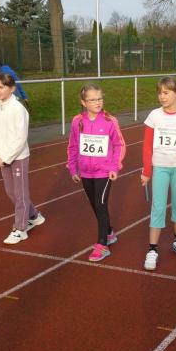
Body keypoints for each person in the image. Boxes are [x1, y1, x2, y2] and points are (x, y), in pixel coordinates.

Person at [141, 76, 176, 271]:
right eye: (159, 93)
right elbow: (147, 146)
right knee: (158, 206)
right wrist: (146, 171)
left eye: (166, 93)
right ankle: (152, 249)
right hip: (160, 167)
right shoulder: (154, 116)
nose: (162, 96)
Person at [66, 84, 125, 262]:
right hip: (85, 172)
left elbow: (119, 144)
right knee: (94, 204)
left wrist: (114, 167)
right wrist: (73, 167)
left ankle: (102, 245)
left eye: (99, 98)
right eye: (92, 100)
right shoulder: (77, 121)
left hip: (104, 171)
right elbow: (73, 145)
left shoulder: (109, 121)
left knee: (100, 204)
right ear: (83, 102)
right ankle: (109, 231)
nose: (97, 102)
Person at [0, 72, 45, 244]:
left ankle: (20, 228)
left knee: (20, 194)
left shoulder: (18, 109)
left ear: (12, 89)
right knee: (11, 192)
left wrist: (6, 158)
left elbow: (21, 138)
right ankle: (34, 215)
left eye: (1, 87)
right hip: (2, 157)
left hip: (18, 157)